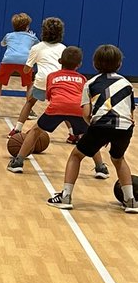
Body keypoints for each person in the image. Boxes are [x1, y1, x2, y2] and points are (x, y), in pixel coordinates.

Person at [47, 44, 137, 211]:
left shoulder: (90, 83)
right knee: (119, 159)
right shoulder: (127, 84)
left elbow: (86, 113)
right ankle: (131, 200)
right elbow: (130, 114)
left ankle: (65, 196)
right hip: (125, 127)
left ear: (95, 63)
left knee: (76, 156)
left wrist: (96, 129)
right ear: (119, 64)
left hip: (100, 124)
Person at [7, 47, 107, 178]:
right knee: (87, 136)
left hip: (57, 106)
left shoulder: (52, 76)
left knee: (35, 131)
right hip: (78, 108)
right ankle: (101, 167)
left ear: (60, 61)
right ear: (79, 64)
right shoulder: (82, 79)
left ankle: (18, 162)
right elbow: (85, 97)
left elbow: (49, 96)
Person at [10, 17, 65, 134]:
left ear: (43, 32)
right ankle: (73, 134)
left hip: (42, 80)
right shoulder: (63, 48)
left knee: (30, 102)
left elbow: (26, 70)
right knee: (62, 107)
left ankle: (17, 129)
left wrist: (28, 69)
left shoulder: (36, 47)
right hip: (58, 81)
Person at [0, 13, 37, 117]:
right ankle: (29, 111)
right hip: (25, 61)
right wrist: (32, 37)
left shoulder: (9, 35)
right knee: (30, 85)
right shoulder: (32, 37)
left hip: (8, 60)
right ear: (27, 26)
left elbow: (2, 44)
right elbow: (38, 46)